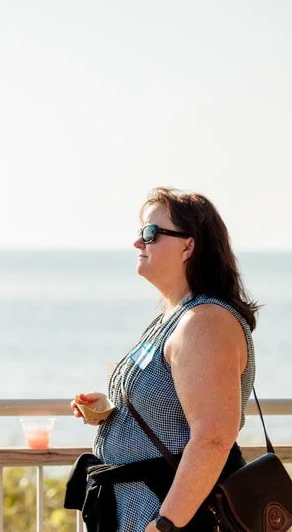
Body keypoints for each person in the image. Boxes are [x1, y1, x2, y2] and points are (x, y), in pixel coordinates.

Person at [66, 187, 258, 531]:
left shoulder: (205, 322)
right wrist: (115, 411)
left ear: (189, 246)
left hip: (169, 515)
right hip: (140, 509)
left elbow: (213, 437)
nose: (139, 243)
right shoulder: (178, 314)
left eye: (151, 233)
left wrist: (166, 523)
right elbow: (177, 406)